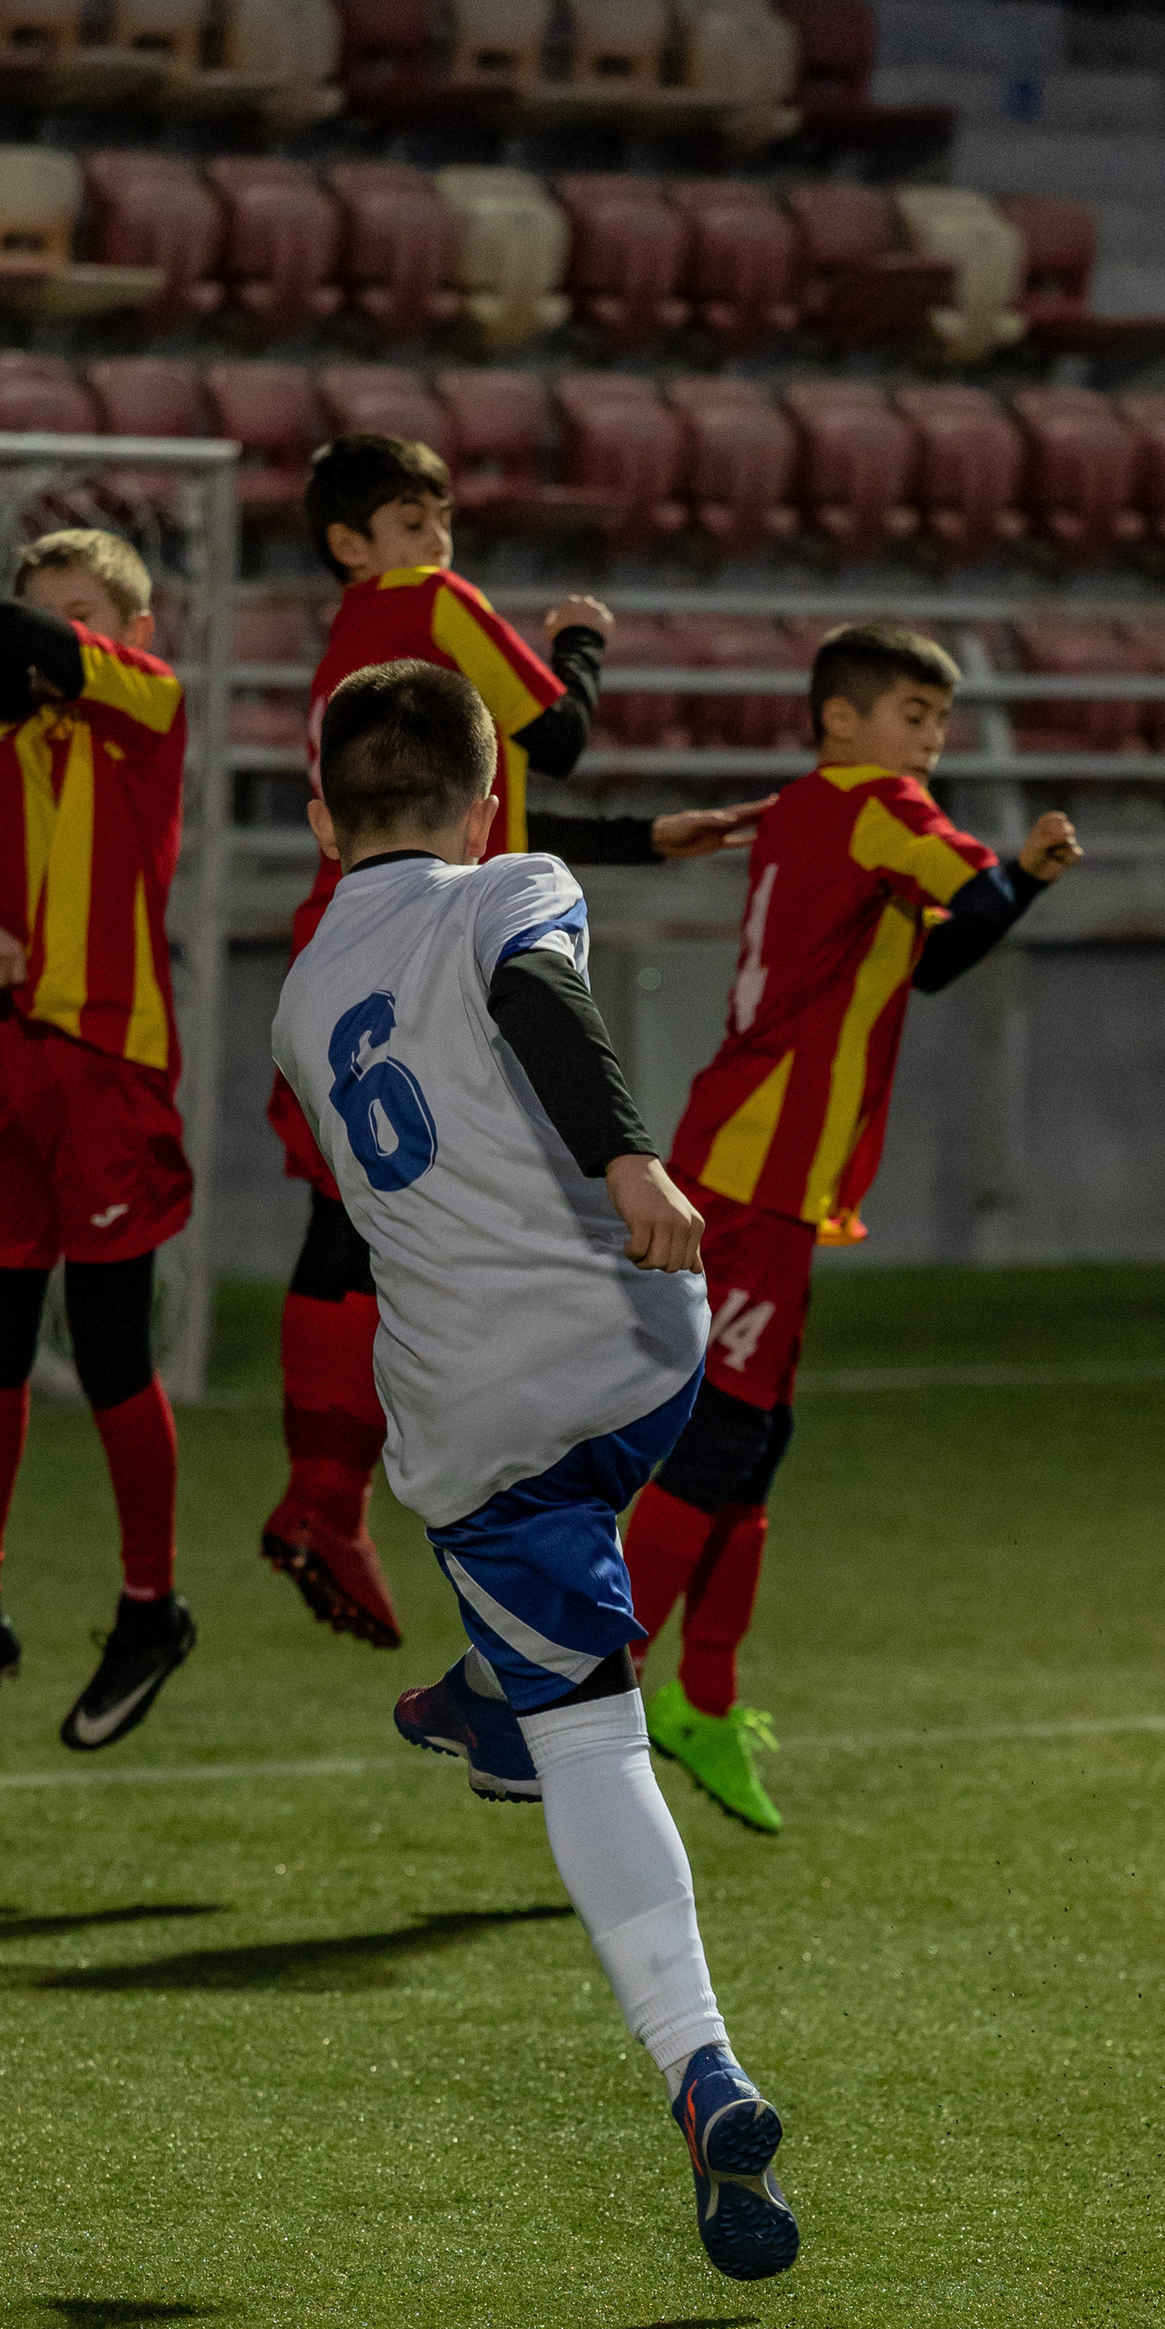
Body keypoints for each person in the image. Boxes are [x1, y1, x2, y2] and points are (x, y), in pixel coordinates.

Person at [272, 658, 797, 2282]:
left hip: (469, 1414)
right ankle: (505, 1691)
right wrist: (630, 1155)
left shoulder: (295, 1005)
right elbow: (541, 999)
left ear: (317, 813)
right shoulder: (517, 879)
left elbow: (356, 1218)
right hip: (636, 1341)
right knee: (667, 1498)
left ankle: (702, 2064)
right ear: (488, 795)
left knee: (588, 1737)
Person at [262, 429, 758, 1655]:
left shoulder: (356, 648)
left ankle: (327, 1497)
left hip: (349, 936)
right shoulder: (434, 603)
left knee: (359, 1210)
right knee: (462, 1202)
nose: (439, 546)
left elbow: (478, 816)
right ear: (353, 542)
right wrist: (580, 642)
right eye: (415, 522)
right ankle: (381, 1501)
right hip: (434, 934)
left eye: (442, 525)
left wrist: (641, 840)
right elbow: (554, 739)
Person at [622, 622, 1082, 1838]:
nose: (930, 743)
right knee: (722, 1436)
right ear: (840, 721)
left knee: (756, 1438)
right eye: (912, 716)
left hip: (764, 1160)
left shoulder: (801, 809)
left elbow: (926, 965)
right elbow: (972, 905)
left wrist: (1006, 892)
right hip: (758, 1168)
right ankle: (600, 1689)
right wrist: (1022, 879)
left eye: (939, 723)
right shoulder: (879, 804)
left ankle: (702, 1702)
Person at [0, 526, 198, 1757]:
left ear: (133, 634)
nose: (60, 632)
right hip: (10, 1070)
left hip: (112, 1069)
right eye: (50, 609)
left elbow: (10, 639)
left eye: (85, 614)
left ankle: (152, 1606)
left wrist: (35, 639)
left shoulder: (147, 707)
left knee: (110, 1351)